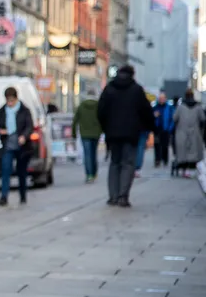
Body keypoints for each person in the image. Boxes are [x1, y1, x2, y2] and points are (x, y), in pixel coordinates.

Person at [97, 65, 154, 207]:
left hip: (112, 134)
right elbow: (146, 111)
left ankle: (113, 196)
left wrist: (106, 128)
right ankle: (123, 196)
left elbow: (101, 111)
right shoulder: (136, 90)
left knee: (115, 163)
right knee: (128, 164)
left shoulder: (109, 88)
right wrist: (147, 128)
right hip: (131, 134)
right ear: (132, 75)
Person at [0, 86, 33, 206]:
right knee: (6, 170)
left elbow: (29, 126)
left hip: (22, 145)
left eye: (12, 100)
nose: (10, 103)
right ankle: (4, 196)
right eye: (8, 100)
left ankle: (23, 195)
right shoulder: (2, 111)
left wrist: (24, 136)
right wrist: (1, 131)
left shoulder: (24, 110)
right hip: (7, 144)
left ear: (16, 99)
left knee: (21, 172)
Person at [172, 89, 205, 178]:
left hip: (182, 133)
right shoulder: (198, 107)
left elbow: (174, 118)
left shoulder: (181, 107)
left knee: (183, 153)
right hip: (195, 133)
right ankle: (191, 170)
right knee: (193, 153)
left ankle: (183, 170)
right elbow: (203, 119)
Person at [72, 87, 102, 183]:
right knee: (94, 153)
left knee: (87, 154)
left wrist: (73, 133)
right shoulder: (98, 106)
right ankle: (94, 172)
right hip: (96, 133)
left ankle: (89, 175)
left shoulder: (81, 106)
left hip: (84, 134)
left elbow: (75, 120)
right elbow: (103, 118)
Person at [152, 91, 175, 168]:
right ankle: (157, 160)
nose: (161, 100)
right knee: (157, 145)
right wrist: (154, 116)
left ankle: (165, 159)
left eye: (162, 98)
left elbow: (172, 119)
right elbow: (151, 117)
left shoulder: (169, 107)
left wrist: (170, 128)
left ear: (165, 99)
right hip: (157, 129)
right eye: (160, 98)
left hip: (166, 129)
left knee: (165, 146)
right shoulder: (155, 107)